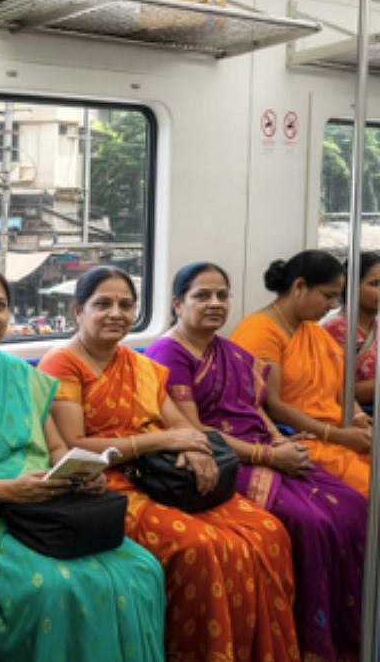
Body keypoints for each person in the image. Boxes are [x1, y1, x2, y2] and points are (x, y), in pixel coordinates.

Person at [0, 266, 164, 662]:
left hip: (41, 506)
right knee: (54, 586)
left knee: (142, 569)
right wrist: (3, 489)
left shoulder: (22, 376)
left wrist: (80, 476)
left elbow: (56, 449)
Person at [38, 266, 300, 662]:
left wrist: (195, 449)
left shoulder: (139, 364)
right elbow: (76, 445)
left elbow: (180, 423)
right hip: (108, 482)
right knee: (200, 547)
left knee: (267, 531)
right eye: (103, 304)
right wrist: (162, 440)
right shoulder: (62, 364)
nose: (117, 313)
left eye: (126, 305)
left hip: (164, 474)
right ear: (78, 311)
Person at [146, 262, 365, 659]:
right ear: (178, 304)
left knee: (353, 505)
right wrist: (269, 455)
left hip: (266, 447)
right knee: (310, 522)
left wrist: (282, 440)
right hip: (228, 458)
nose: (215, 303)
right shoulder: (168, 352)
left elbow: (255, 407)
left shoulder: (228, 351)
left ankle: (344, 632)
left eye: (222, 295)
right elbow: (196, 431)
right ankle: (310, 639)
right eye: (202, 296)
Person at [230, 250, 372, 496]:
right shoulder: (260, 332)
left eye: (336, 298)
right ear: (299, 286)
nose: (332, 306)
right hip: (301, 437)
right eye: (328, 296)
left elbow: (339, 386)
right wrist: (337, 436)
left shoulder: (314, 332)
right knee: (369, 484)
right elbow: (272, 405)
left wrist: (360, 419)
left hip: (337, 430)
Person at [323, 250, 380, 404]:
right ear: (350, 286)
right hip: (354, 417)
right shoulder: (337, 329)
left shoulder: (377, 326)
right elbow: (333, 391)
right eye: (375, 284)